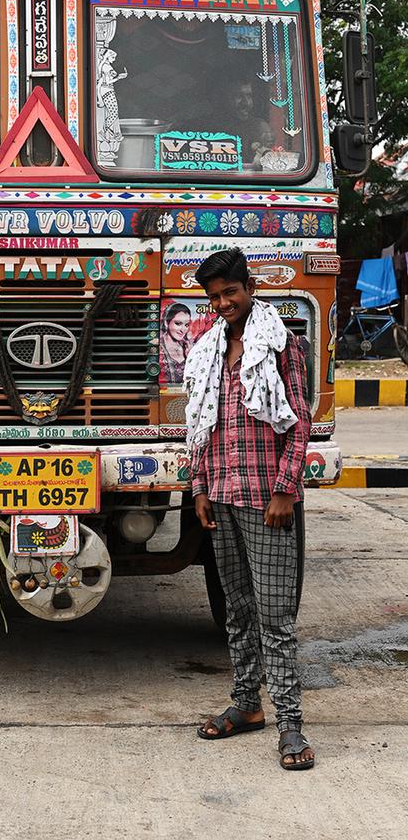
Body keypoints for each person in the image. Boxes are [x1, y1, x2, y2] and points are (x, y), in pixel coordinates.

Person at [183, 248, 314, 771]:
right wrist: (198, 489)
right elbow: (200, 426)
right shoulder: (209, 349)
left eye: (230, 293)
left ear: (249, 286)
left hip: (267, 502)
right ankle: (247, 705)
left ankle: (292, 727)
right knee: (236, 612)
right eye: (214, 297)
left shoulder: (282, 345)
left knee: (275, 617)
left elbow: (300, 420)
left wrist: (285, 488)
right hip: (220, 496)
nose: (223, 304)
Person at [159, 302, 191, 384]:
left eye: (186, 325)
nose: (183, 330)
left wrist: (191, 357)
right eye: (178, 323)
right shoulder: (156, 346)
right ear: (166, 323)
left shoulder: (189, 347)